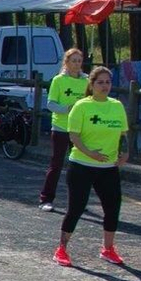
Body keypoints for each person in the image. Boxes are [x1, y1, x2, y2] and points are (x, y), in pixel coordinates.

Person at [56, 65, 129, 267]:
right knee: (76, 207)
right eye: (100, 82)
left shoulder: (116, 106)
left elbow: (123, 134)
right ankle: (62, 248)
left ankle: (108, 249)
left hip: (108, 168)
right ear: (92, 84)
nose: (104, 86)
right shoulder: (82, 106)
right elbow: (74, 136)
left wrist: (125, 153)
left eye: (108, 82)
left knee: (113, 207)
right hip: (82, 165)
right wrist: (91, 154)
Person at [40, 48, 88, 210]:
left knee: (80, 166)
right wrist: (68, 108)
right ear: (66, 62)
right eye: (73, 61)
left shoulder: (87, 81)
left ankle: (78, 200)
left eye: (79, 61)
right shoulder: (58, 80)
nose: (76, 64)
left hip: (80, 130)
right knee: (56, 164)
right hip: (61, 128)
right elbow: (51, 104)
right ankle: (46, 199)